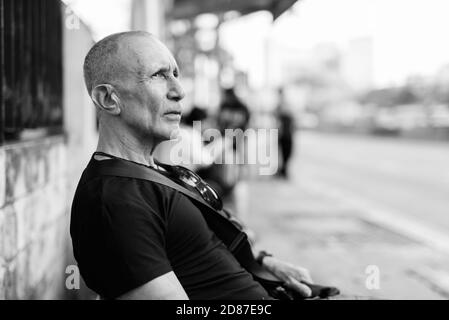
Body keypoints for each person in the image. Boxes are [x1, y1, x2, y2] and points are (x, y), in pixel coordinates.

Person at [70, 31, 314, 300]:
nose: (179, 91)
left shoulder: (155, 170)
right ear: (108, 99)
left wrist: (265, 262)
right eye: (158, 75)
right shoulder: (114, 201)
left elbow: (204, 243)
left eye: (175, 74)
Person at [275, 87, 295, 178]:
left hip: (287, 134)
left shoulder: (284, 105)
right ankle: (282, 170)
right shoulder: (280, 106)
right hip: (284, 134)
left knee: (286, 153)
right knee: (283, 153)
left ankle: (283, 170)